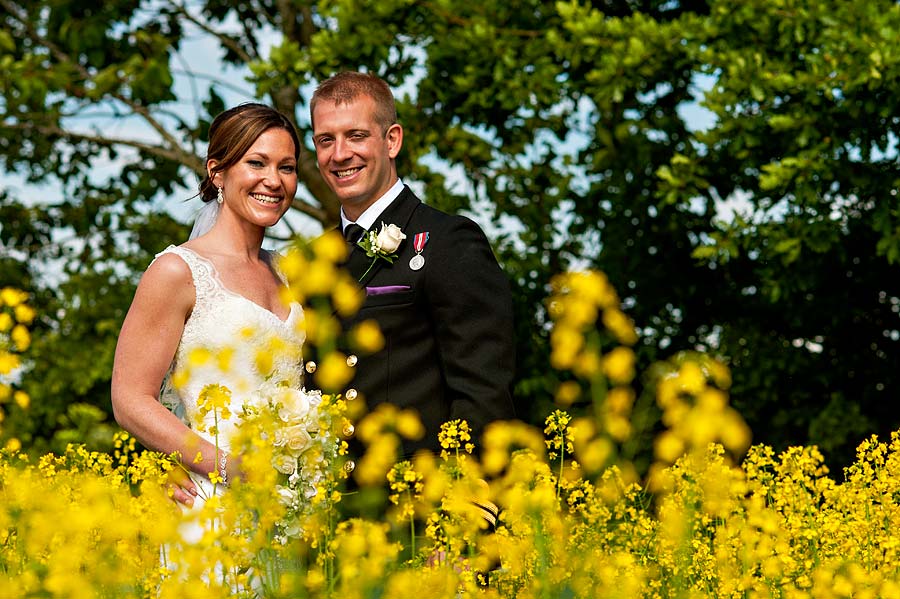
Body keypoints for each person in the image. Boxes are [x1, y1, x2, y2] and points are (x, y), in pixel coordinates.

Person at [309, 71, 517, 458]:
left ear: (392, 140)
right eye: (326, 140)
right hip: (325, 503)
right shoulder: (314, 260)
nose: (339, 154)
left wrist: (465, 492)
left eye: (356, 136)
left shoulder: (448, 240)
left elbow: (483, 390)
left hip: (414, 500)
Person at [111, 103, 305, 508]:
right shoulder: (176, 271)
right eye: (257, 163)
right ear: (217, 171)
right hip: (211, 497)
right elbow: (130, 399)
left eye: (287, 168)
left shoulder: (292, 273)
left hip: (289, 502)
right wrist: (228, 469)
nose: (274, 180)